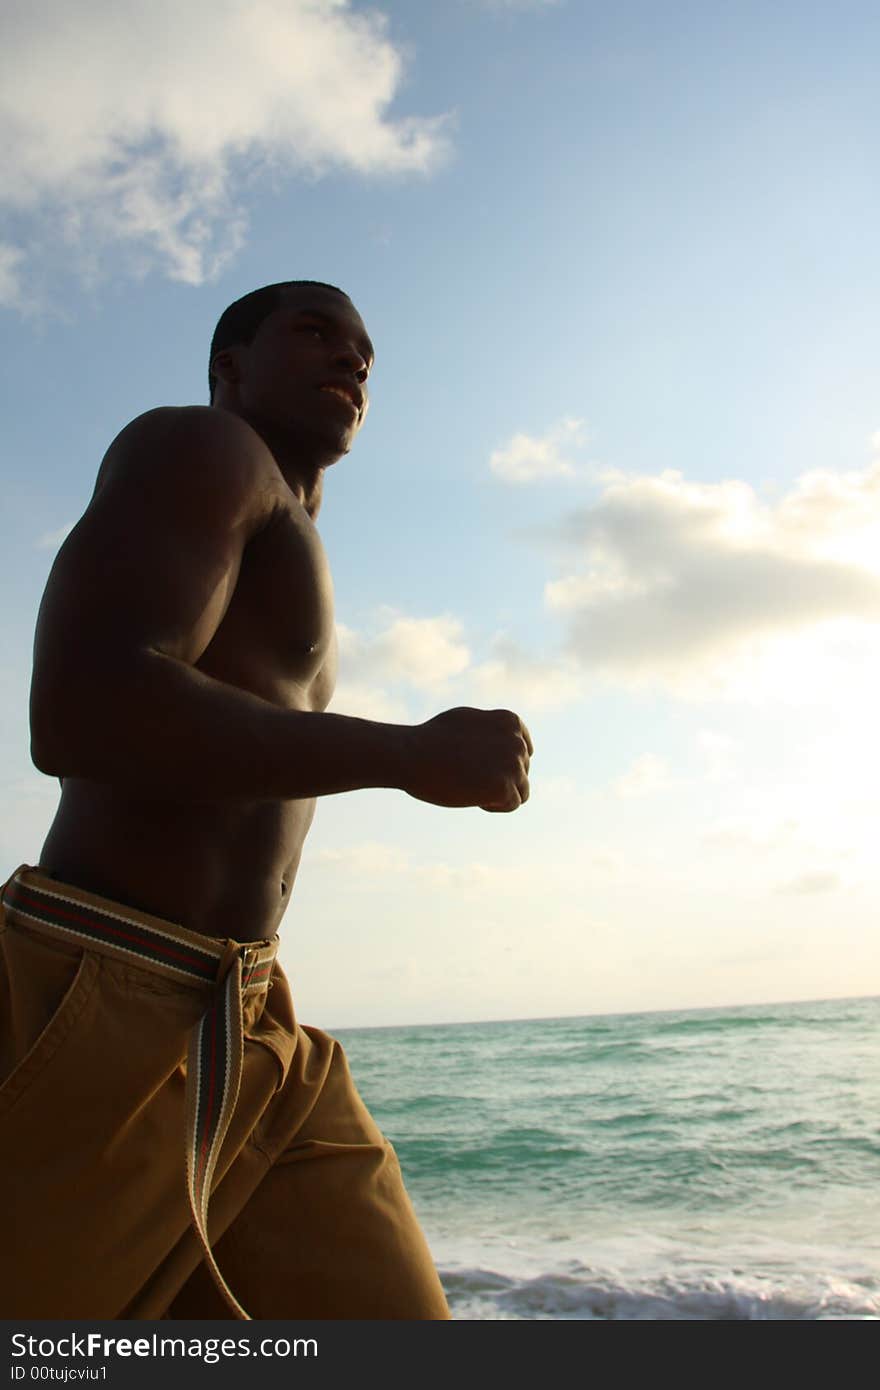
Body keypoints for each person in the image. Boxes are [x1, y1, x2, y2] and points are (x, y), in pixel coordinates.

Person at [0, 280, 532, 1320]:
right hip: (100, 983)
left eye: (367, 347)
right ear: (229, 367)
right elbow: (85, 705)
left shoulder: (290, 528)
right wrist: (408, 754)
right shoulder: (203, 449)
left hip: (253, 1024)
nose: (354, 358)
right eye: (316, 331)